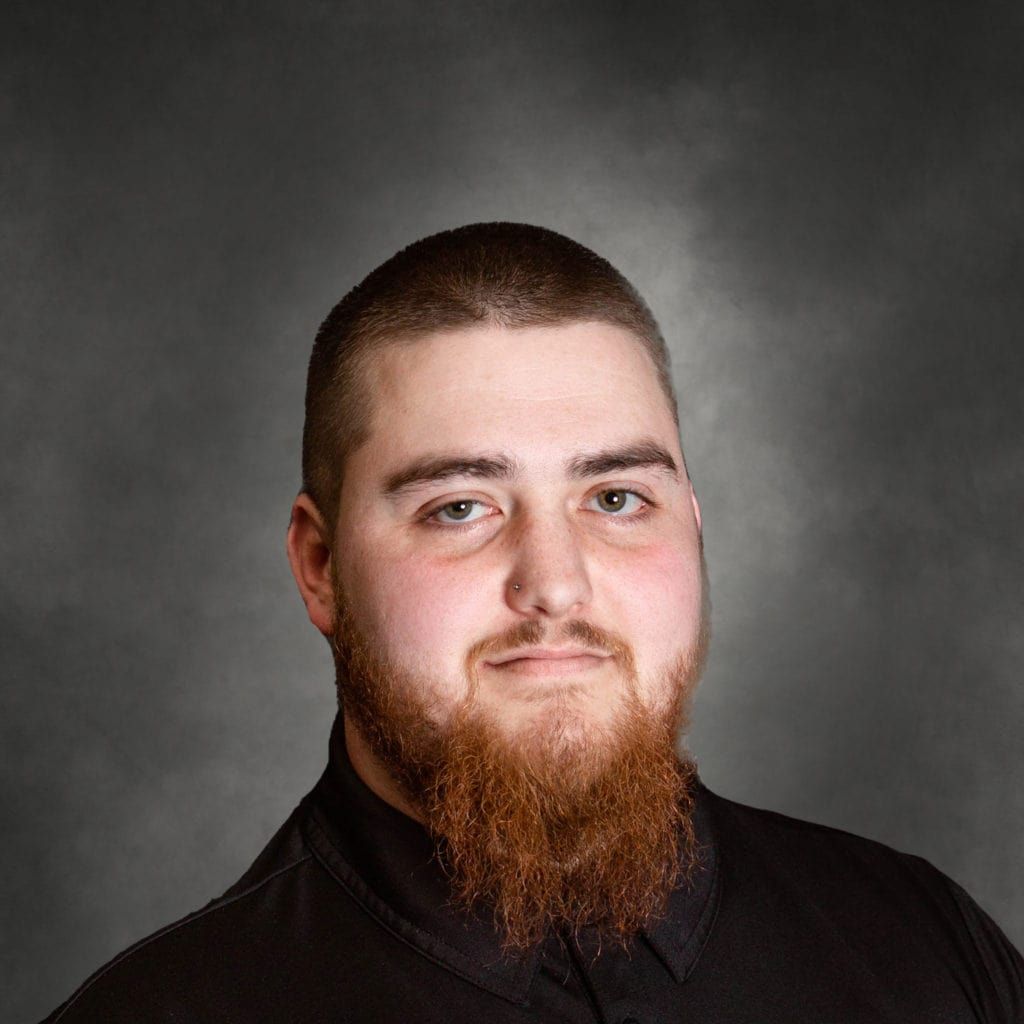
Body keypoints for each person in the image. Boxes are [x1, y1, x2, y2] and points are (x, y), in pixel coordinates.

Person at [42, 223, 1023, 1023]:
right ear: (320, 568)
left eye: (615, 498)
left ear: (693, 521)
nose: (555, 587)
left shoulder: (927, 949)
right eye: (459, 506)